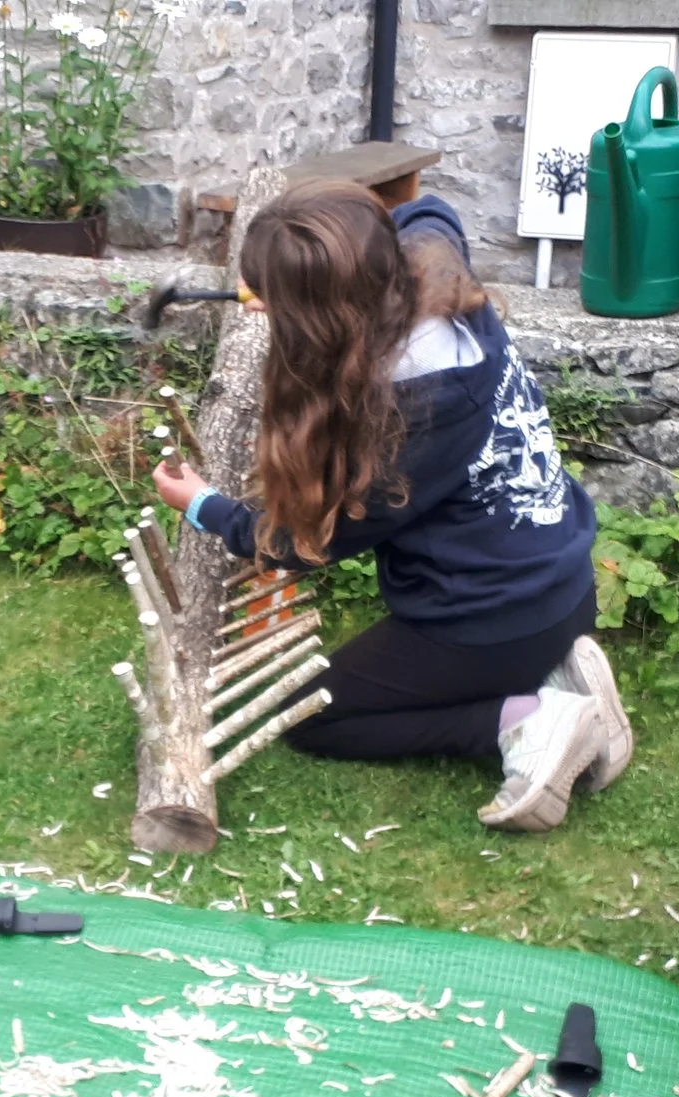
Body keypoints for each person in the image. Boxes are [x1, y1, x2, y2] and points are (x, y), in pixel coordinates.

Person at [151, 180, 633, 833]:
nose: (262, 312)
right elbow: (428, 208)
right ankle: (559, 675)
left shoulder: (403, 418)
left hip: (496, 619)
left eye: (281, 309)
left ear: (318, 317)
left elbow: (304, 544)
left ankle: (530, 721)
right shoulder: (439, 273)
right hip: (563, 583)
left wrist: (203, 505)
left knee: (315, 717)